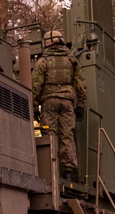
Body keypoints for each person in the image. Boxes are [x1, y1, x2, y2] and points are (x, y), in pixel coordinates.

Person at [32, 30, 87, 179]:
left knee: (49, 135)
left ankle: (51, 170)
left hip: (49, 102)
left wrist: (34, 107)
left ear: (47, 43)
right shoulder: (72, 60)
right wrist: (80, 106)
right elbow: (81, 85)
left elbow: (36, 86)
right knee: (67, 135)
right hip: (67, 103)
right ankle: (68, 172)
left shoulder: (42, 62)